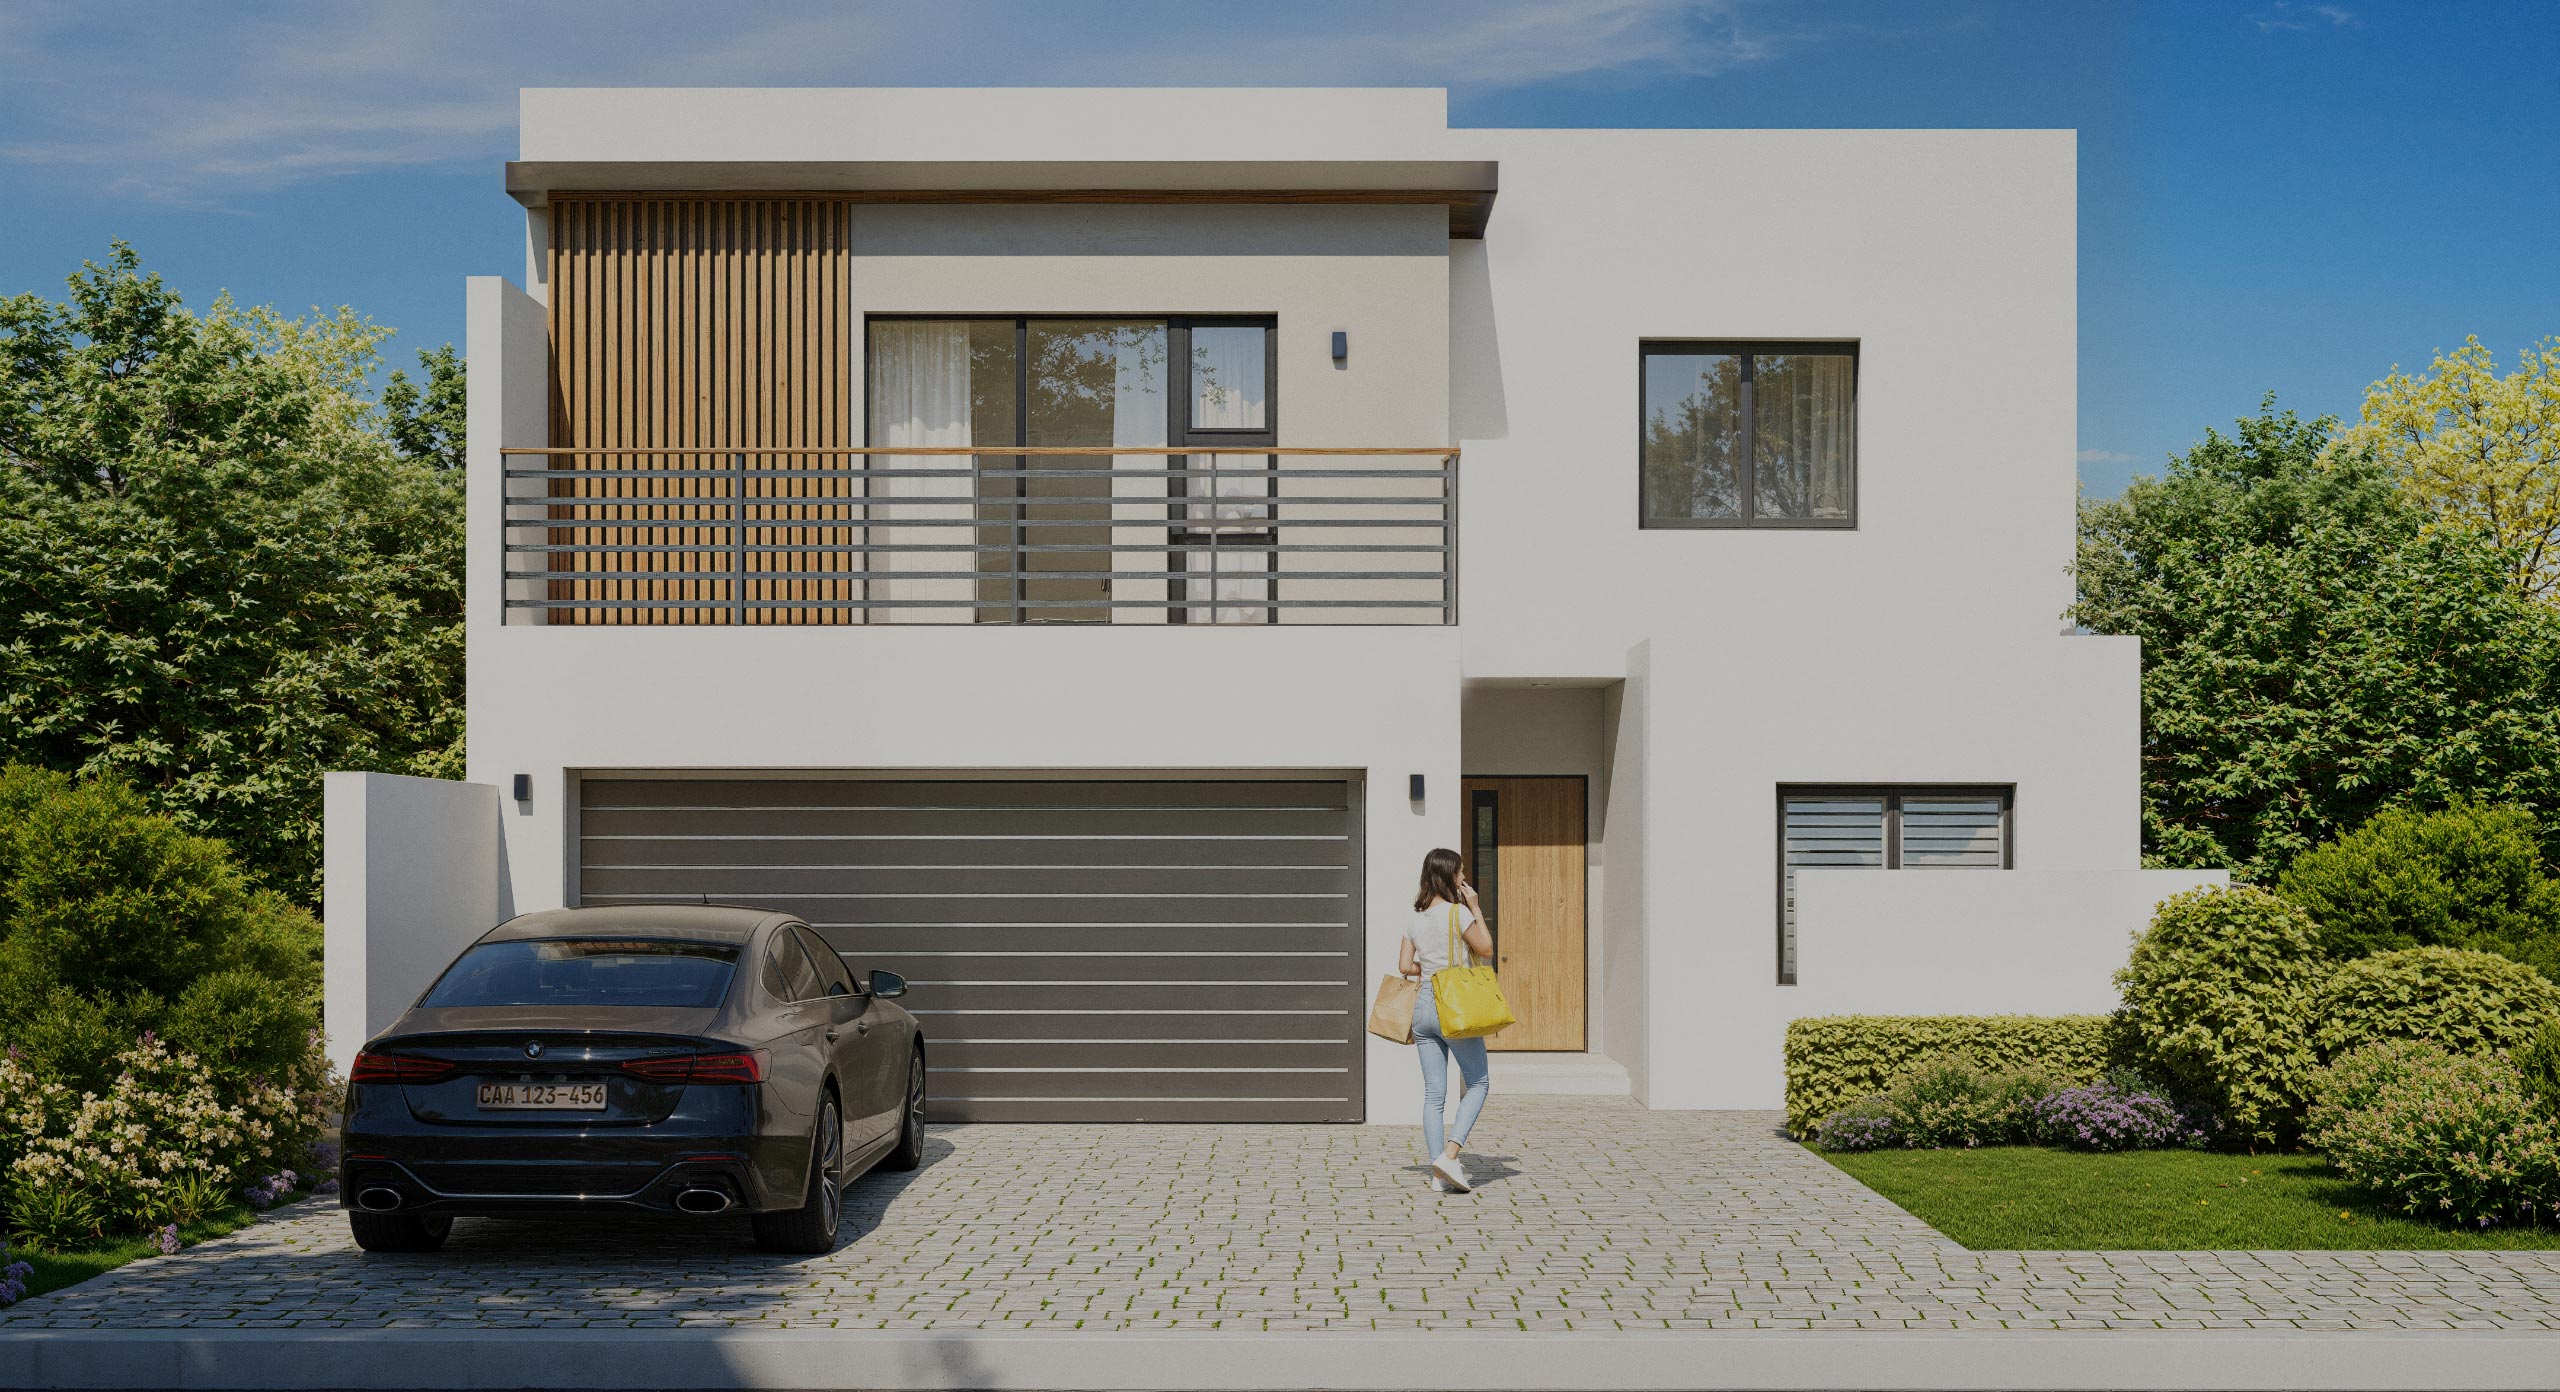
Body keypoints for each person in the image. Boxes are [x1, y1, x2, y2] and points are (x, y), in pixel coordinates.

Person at [1398, 847, 1495, 1193]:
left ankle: (1438, 1173)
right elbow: (1486, 949)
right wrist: (1476, 908)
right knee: (1479, 1083)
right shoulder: (1459, 913)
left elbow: (1404, 966)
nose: (1463, 877)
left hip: (1423, 1005)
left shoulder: (1415, 918)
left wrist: (1431, 966)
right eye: (1460, 871)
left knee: (1434, 1093)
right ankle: (1450, 1156)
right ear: (1448, 875)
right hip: (1452, 1004)